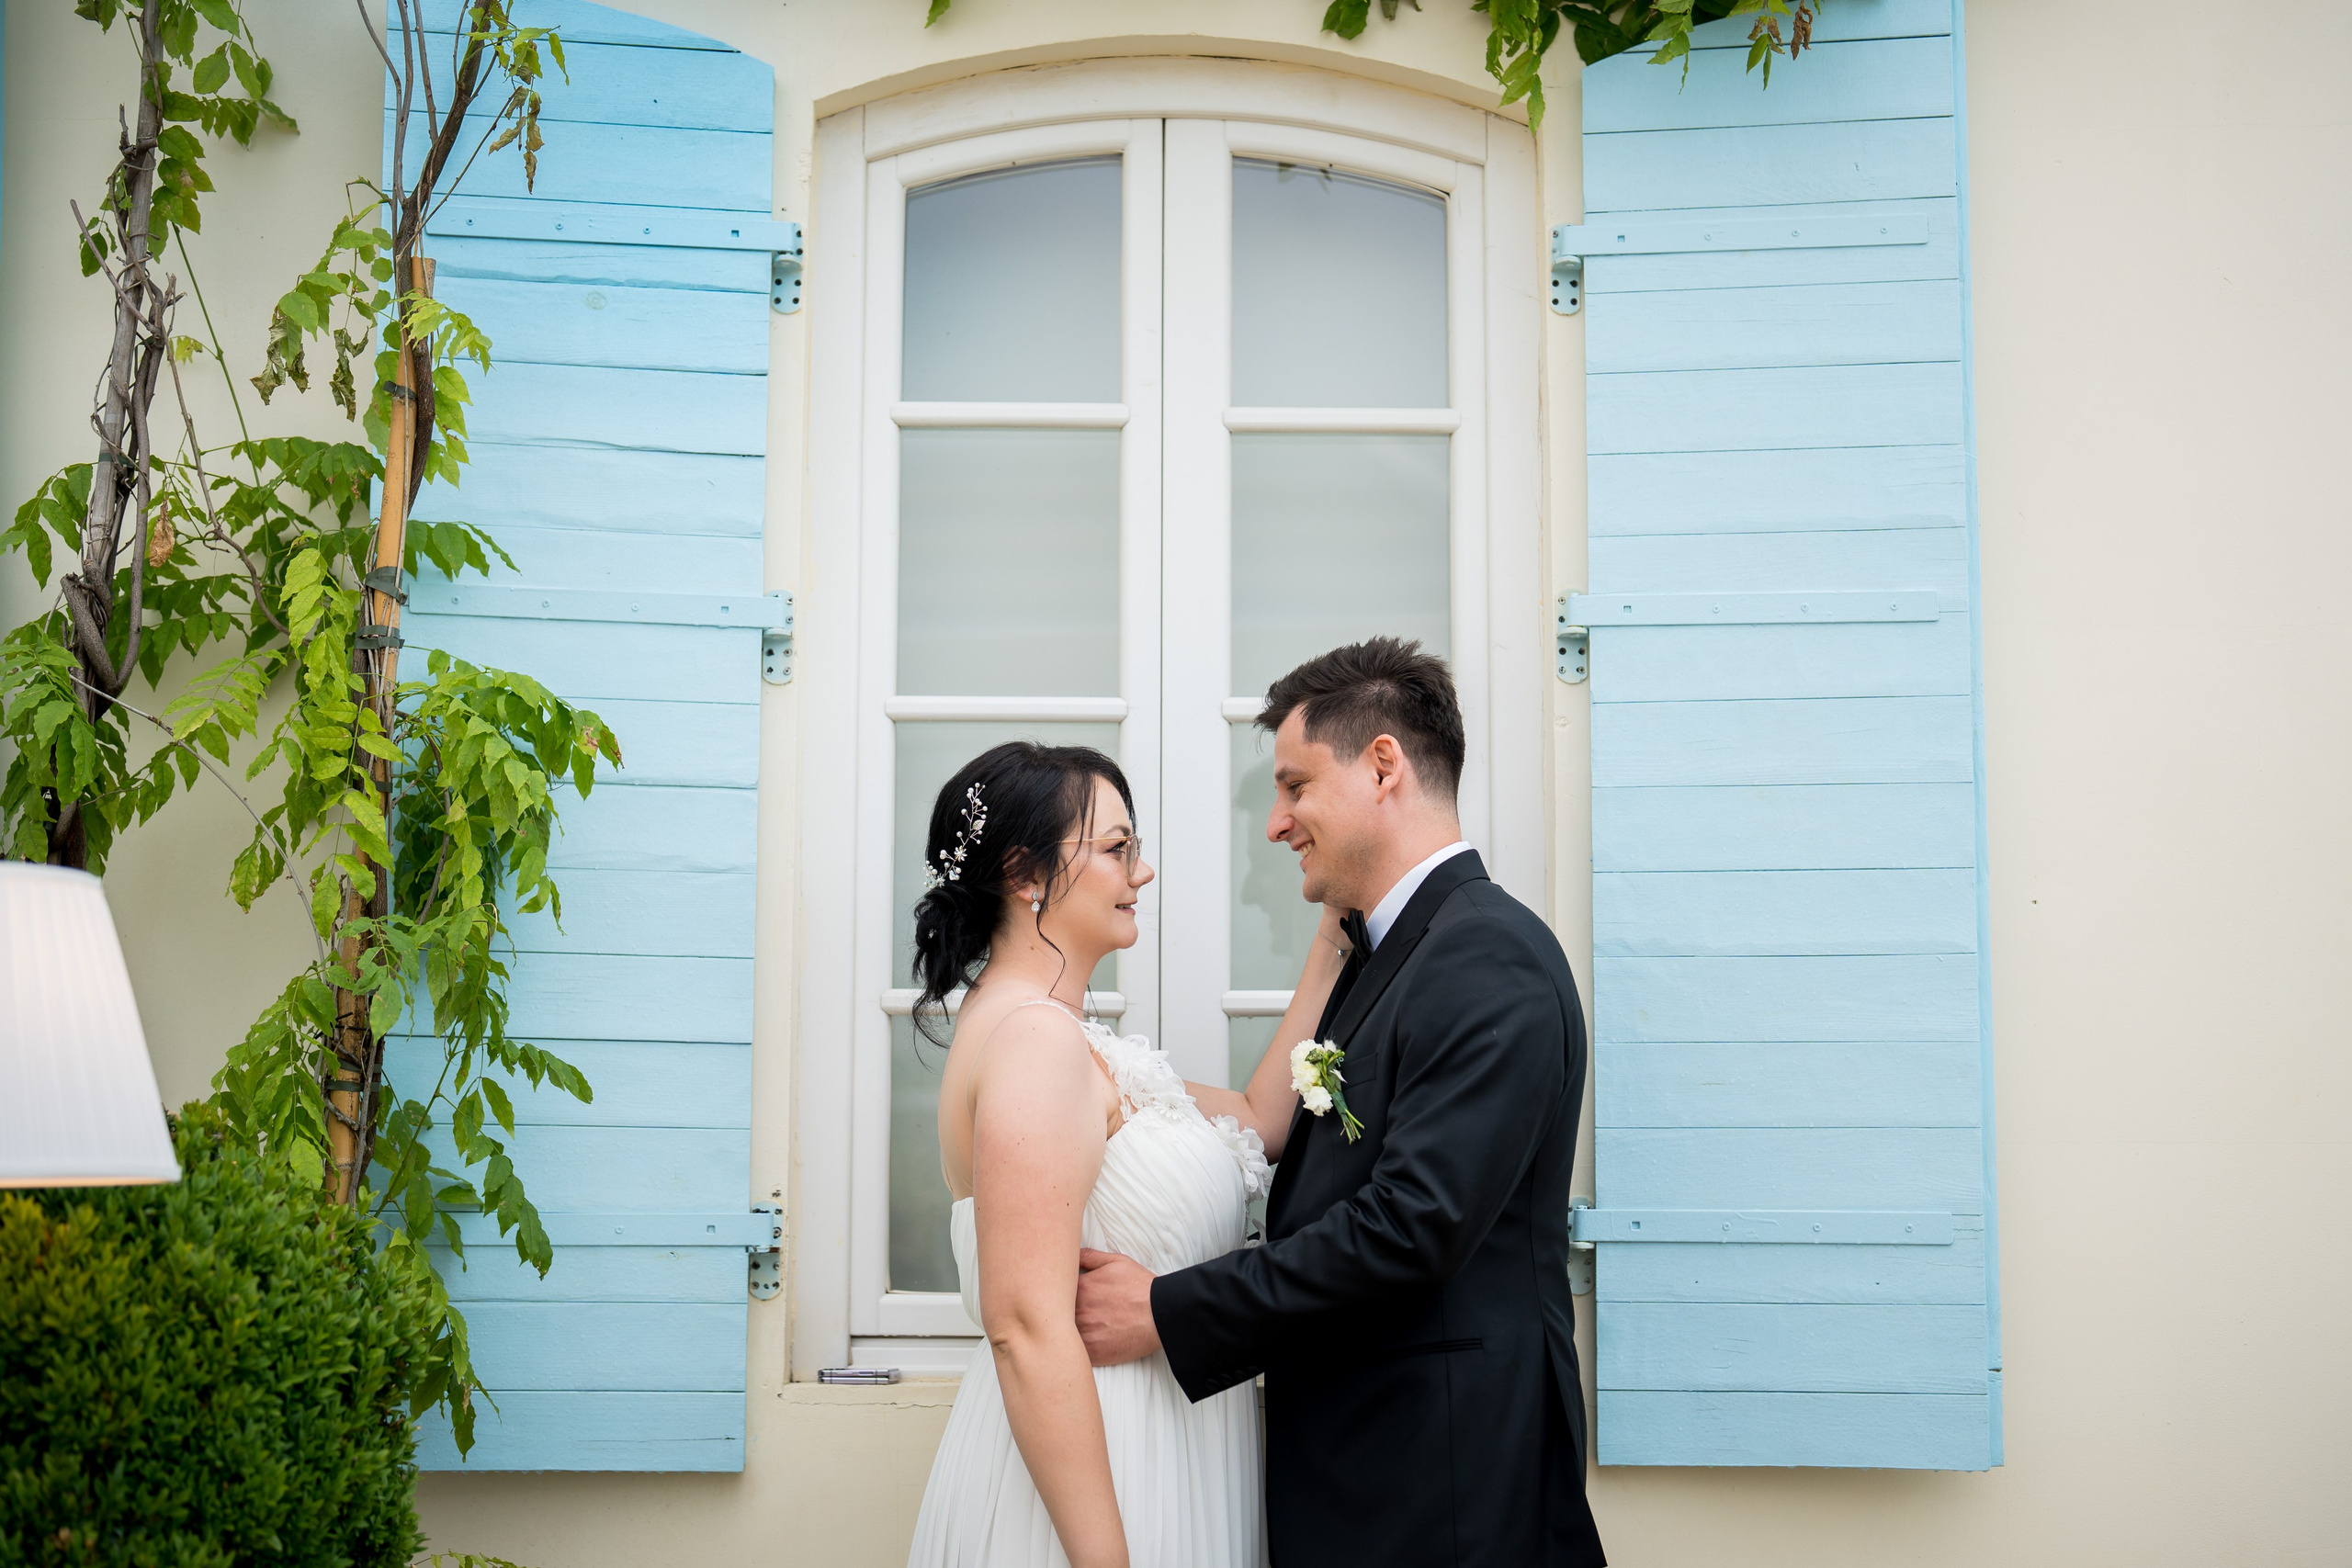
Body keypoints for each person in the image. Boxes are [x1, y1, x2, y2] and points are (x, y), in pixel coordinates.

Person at [1076, 638, 1608, 1566]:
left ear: (1384, 764)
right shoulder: (1398, 953)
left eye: (1293, 786)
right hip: (1379, 1470)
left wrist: (1170, 1308)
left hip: (1442, 1486)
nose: (1276, 823)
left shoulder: (1487, 958)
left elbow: (1411, 1226)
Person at [904, 740, 1350, 1568]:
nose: (1141, 873)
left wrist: (1334, 932)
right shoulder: (1034, 1041)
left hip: (1155, 1445)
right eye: (1117, 849)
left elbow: (1260, 1118)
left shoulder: (1066, 1039)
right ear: (1024, 872)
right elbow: (1028, 1327)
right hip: (1097, 1482)